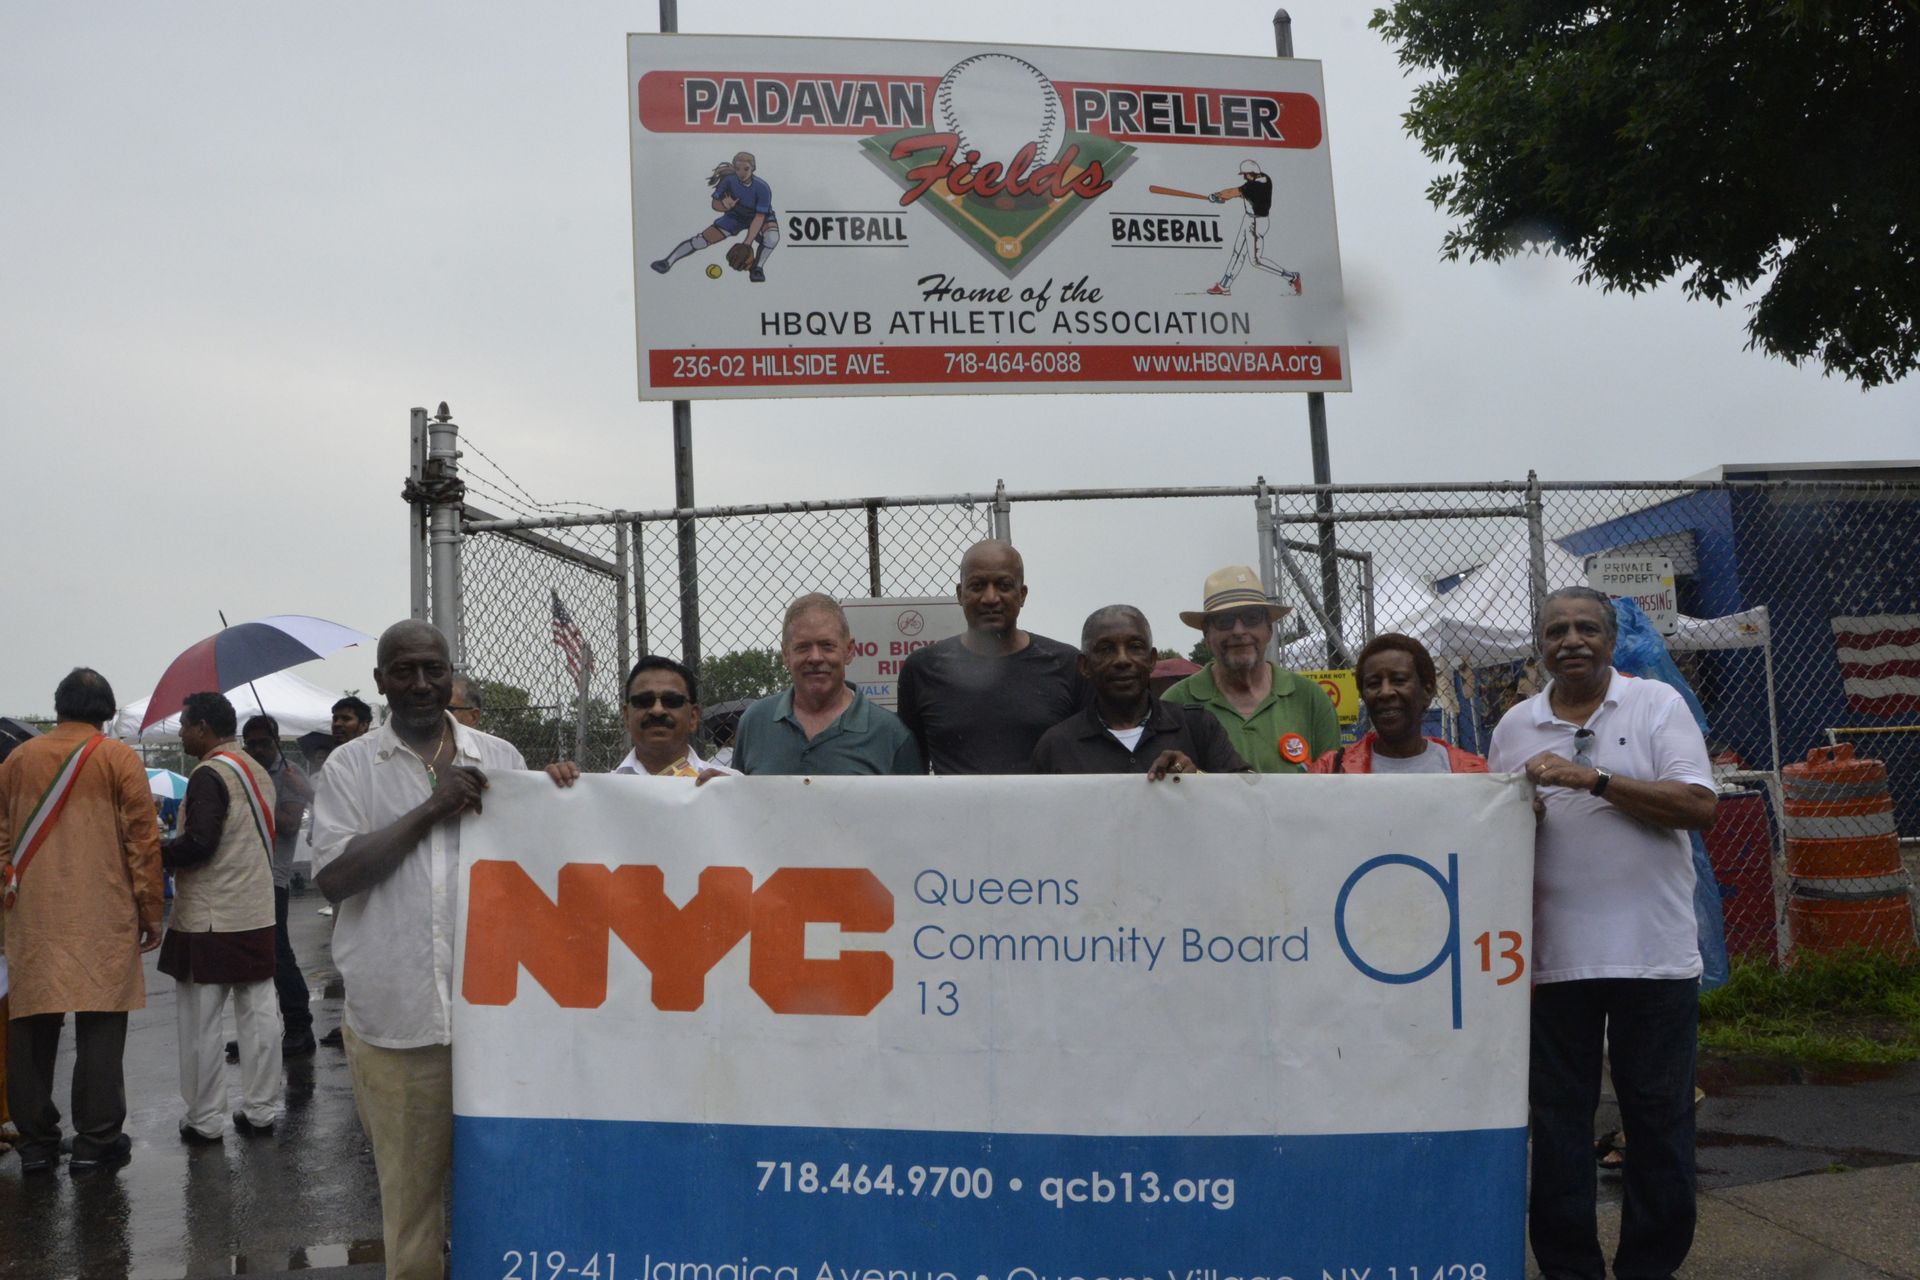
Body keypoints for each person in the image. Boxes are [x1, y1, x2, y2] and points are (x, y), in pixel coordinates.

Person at [1487, 586, 1717, 1280]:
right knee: (1558, 1125)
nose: (1572, 640)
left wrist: (1595, 780)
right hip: (1556, 960)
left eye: (1587, 628)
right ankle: (1570, 1268)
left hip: (1654, 956)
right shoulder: (1514, 728)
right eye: (1556, 629)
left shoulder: (1656, 705)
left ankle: (1649, 1265)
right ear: (1541, 645)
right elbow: (1495, 829)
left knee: (1659, 1121)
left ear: (1612, 642)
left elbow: (1698, 805)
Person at [310, 620, 526, 1280]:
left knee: (505, 1197)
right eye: (404, 671)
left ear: (451, 674)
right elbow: (336, 876)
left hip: (495, 1020)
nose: (423, 684)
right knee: (411, 1212)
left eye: (434, 669)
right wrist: (434, 808)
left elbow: (544, 864)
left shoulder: (502, 759)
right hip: (397, 1026)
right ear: (381, 682)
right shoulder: (349, 767)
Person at [0, 668, 163, 1175]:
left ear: (58, 707)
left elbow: (3, 840)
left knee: (29, 1025)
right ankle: (95, 1143)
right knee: (100, 1025)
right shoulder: (118, 758)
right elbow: (142, 841)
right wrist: (150, 910)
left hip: (32, 913)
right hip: (103, 910)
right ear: (107, 712)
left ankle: (36, 1145)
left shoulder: (18, 760)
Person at [164, 693, 284, 1141]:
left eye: (183, 724)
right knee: (259, 1015)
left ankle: (206, 1119)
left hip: (210, 916)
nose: (180, 732)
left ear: (202, 728)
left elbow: (200, 844)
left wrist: (154, 851)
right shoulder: (257, 771)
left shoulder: (209, 774)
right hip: (255, 908)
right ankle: (261, 1111)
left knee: (201, 1022)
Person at [896, 540, 1087, 774]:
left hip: (1044, 809)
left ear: (1022, 594)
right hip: (953, 811)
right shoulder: (922, 669)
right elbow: (909, 768)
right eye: (977, 586)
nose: (990, 598)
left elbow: (1094, 750)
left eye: (1004, 585)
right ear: (960, 594)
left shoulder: (1066, 664)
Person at [1031, 606, 1249, 776]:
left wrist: (1198, 778)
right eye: (1106, 649)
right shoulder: (1057, 745)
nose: (1123, 660)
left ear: (1152, 659)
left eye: (1135, 647)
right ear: (1084, 666)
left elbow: (1249, 798)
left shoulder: (1198, 727)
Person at [1161, 565, 1340, 773]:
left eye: (1251, 618)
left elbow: (1332, 790)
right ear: (1206, 636)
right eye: (1224, 621)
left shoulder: (1311, 699)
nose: (1238, 630)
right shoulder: (1175, 703)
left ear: (1269, 630)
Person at [733, 594, 922, 776]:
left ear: (849, 651)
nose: (815, 657)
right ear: (785, 655)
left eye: (827, 646)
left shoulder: (891, 734)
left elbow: (911, 807)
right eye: (803, 647)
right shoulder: (754, 722)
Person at [241, 714, 315, 1058]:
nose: (257, 749)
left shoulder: (289, 774)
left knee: (278, 954)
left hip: (273, 878)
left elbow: (287, 825)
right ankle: (261, 1031)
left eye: (263, 742)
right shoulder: (243, 771)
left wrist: (260, 792)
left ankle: (300, 1026)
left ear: (276, 741)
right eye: (251, 743)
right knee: (251, 959)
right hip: (242, 876)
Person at [1308, 634, 1487, 774]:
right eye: (1373, 684)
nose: (1385, 692)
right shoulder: (1331, 770)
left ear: (1427, 691)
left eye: (1399, 680)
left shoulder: (1471, 773)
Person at [546, 655, 737, 786]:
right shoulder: (593, 792)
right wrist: (552, 791)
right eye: (643, 701)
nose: (657, 710)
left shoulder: (732, 784)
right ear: (627, 716)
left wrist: (734, 804)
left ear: (693, 717)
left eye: (672, 701)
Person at [650, 151, 779, 283]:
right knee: (700, 241)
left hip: (761, 217)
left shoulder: (762, 187)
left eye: (746, 169)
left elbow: (759, 216)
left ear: (753, 168)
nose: (742, 172)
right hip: (736, 216)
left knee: (772, 237)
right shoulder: (729, 181)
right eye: (738, 169)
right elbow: (715, 204)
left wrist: (747, 243)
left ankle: (757, 268)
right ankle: (667, 262)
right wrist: (724, 206)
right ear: (734, 168)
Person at [1204, 159, 1300, 297]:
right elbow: (1241, 194)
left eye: (1245, 174)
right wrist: (1221, 197)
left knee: (1256, 261)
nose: (1244, 176)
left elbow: (1234, 192)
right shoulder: (1264, 178)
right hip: (1249, 219)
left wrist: (1216, 195)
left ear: (1252, 173)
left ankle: (1292, 277)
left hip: (1256, 223)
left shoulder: (1254, 185)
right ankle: (1224, 286)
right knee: (1237, 253)